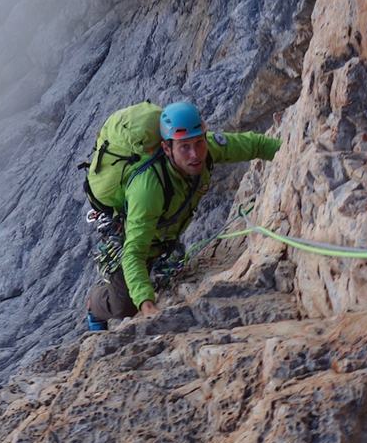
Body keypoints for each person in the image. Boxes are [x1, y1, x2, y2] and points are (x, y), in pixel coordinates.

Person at [84, 101, 280, 331]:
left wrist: (296, 146)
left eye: (199, 143)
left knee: (161, 271)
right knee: (124, 305)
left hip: (162, 237)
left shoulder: (205, 150)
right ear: (167, 149)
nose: (195, 154)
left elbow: (253, 145)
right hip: (131, 237)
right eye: (184, 147)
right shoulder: (148, 188)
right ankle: (94, 304)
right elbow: (134, 251)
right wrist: (146, 305)